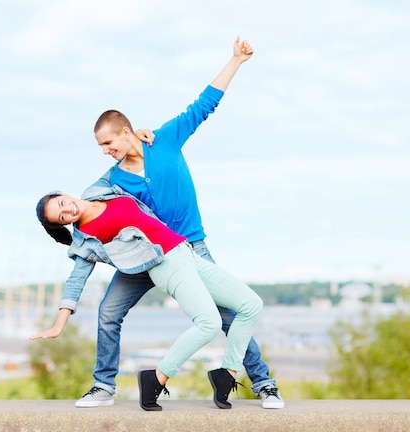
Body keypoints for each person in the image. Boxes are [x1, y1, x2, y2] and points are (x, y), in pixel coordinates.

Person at [80, 36, 285, 409]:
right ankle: (103, 387)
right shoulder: (112, 181)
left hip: (191, 247)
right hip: (145, 256)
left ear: (126, 132)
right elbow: (82, 206)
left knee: (231, 313)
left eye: (108, 142)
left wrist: (235, 61)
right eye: (101, 147)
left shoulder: (167, 139)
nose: (105, 151)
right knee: (108, 312)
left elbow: (204, 104)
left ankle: (263, 383)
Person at [30, 187, 263, 411]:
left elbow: (129, 160)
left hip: (184, 249)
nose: (68, 211)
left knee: (251, 305)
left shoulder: (100, 190)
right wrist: (59, 324)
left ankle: (228, 374)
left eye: (62, 203)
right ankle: (156, 378)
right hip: (165, 263)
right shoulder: (85, 240)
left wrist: (145, 143)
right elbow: (75, 281)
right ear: (65, 224)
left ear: (64, 194)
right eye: (62, 217)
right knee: (208, 323)